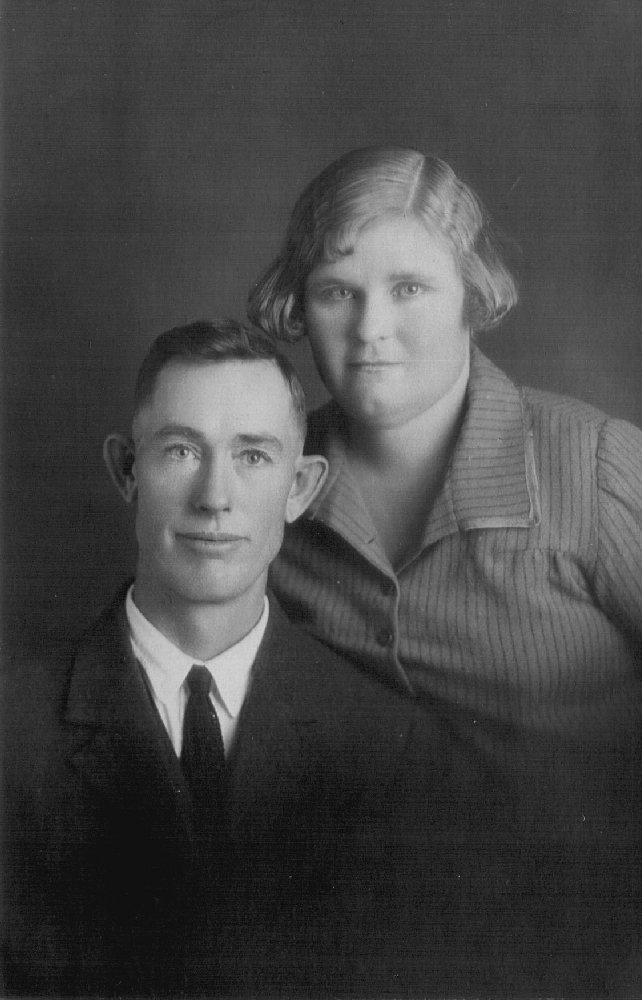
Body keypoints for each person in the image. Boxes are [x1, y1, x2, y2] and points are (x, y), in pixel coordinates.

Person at [248, 146, 642, 995]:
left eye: (410, 288)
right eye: (338, 291)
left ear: (473, 300)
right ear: (299, 306)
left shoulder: (595, 470)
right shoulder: (266, 493)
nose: (371, 327)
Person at [3, 319, 462, 997]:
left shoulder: (390, 747)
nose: (215, 497)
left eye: (253, 456)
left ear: (301, 488)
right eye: (183, 451)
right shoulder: (12, 735)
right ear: (128, 470)